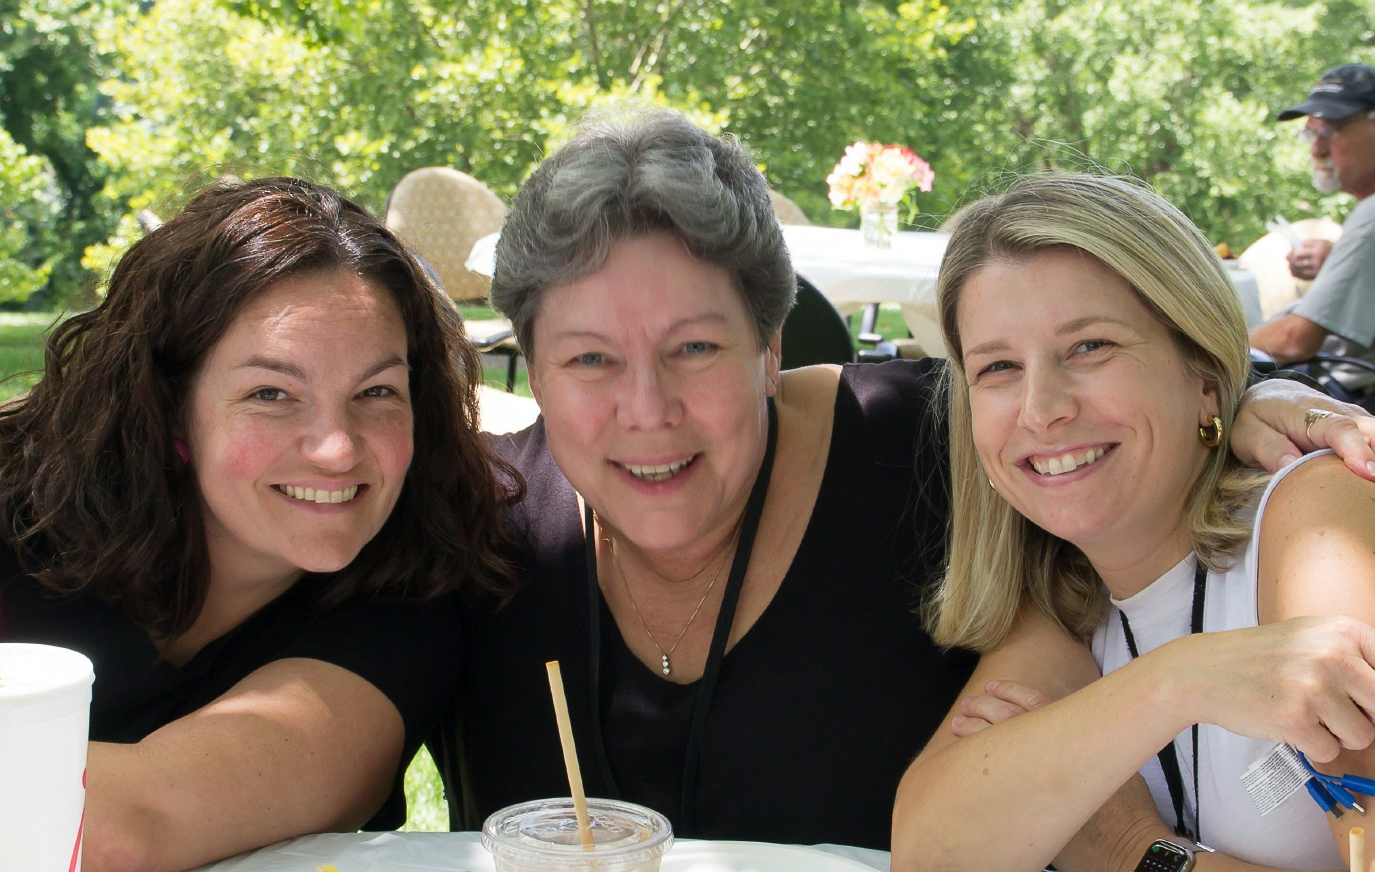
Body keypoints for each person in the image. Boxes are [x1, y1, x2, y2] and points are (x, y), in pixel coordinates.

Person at [424, 109, 1375, 852]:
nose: (648, 409)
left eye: (696, 347)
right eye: (589, 361)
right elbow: (942, 841)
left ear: (770, 349)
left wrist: (1250, 402)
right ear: (531, 370)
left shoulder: (914, 453)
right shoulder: (478, 527)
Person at [0, 176, 515, 872]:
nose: (337, 448)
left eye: (376, 393)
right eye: (271, 394)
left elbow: (117, 828)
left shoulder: (400, 613)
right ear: (168, 409)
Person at [892, 172, 1375, 871]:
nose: (1041, 408)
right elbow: (931, 854)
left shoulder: (1316, 522)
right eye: (997, 366)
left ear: (1202, 371)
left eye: (1090, 347)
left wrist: (1127, 849)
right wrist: (1177, 682)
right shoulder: (1069, 598)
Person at [1251, 63, 1375, 371]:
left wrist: (1199, 347)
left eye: (1329, 131)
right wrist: (1336, 259)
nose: (1316, 150)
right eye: (1310, 134)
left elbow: (1295, 341)